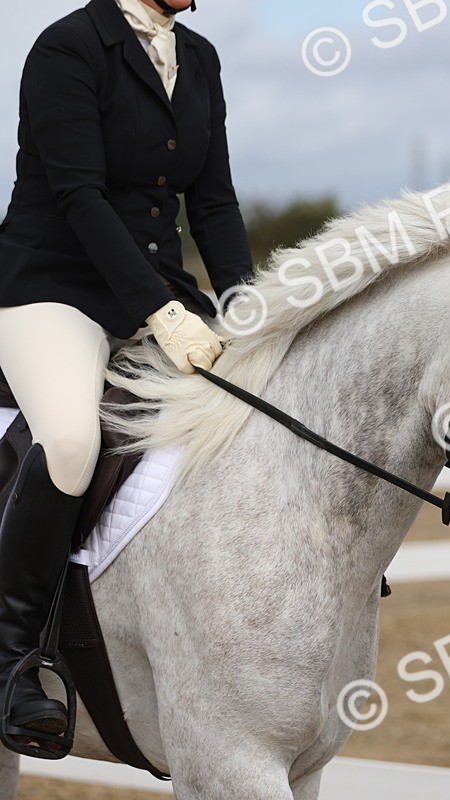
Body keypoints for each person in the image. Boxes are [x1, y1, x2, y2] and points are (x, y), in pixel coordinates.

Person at [0, 0, 253, 750]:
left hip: (155, 296)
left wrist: (246, 307)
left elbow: (213, 200)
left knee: (253, 413)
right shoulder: (67, 48)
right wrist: (161, 316)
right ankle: (13, 660)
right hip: (51, 288)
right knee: (73, 440)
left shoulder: (198, 56)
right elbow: (78, 195)